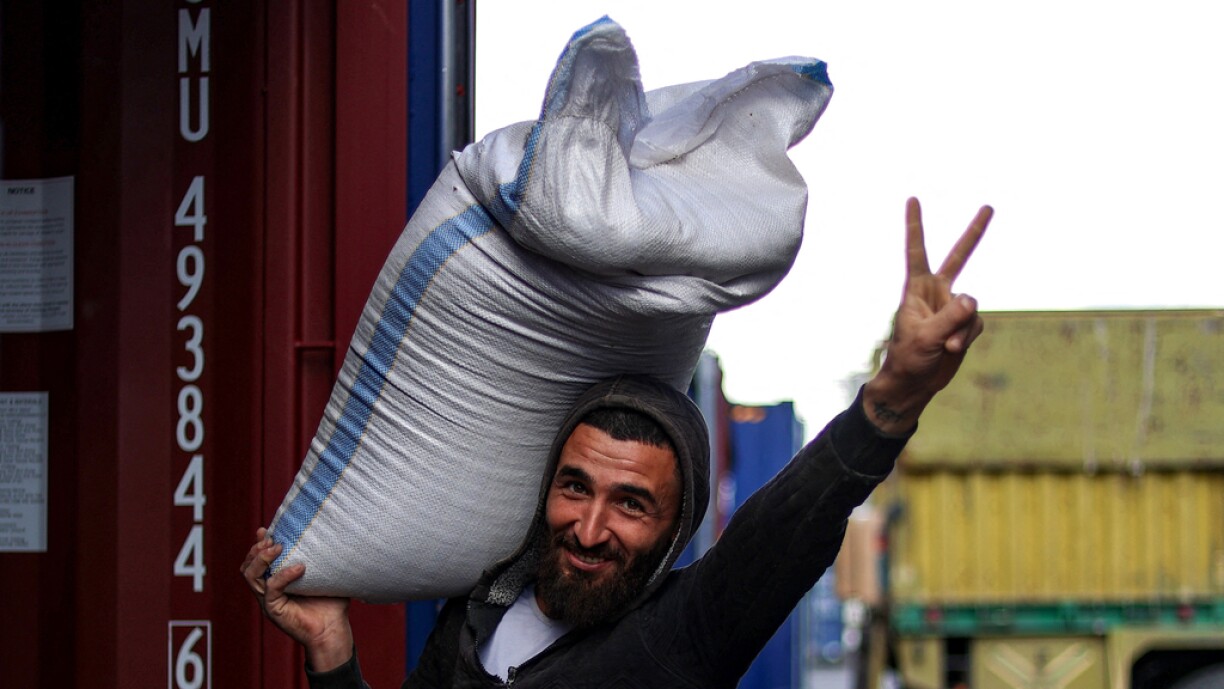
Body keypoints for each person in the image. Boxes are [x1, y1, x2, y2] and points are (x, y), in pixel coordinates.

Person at [242, 197, 994, 688]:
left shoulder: (678, 638)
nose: (590, 527)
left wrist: (894, 396)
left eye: (632, 503)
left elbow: (782, 533)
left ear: (674, 530)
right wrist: (332, 651)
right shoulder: (478, 614)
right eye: (576, 487)